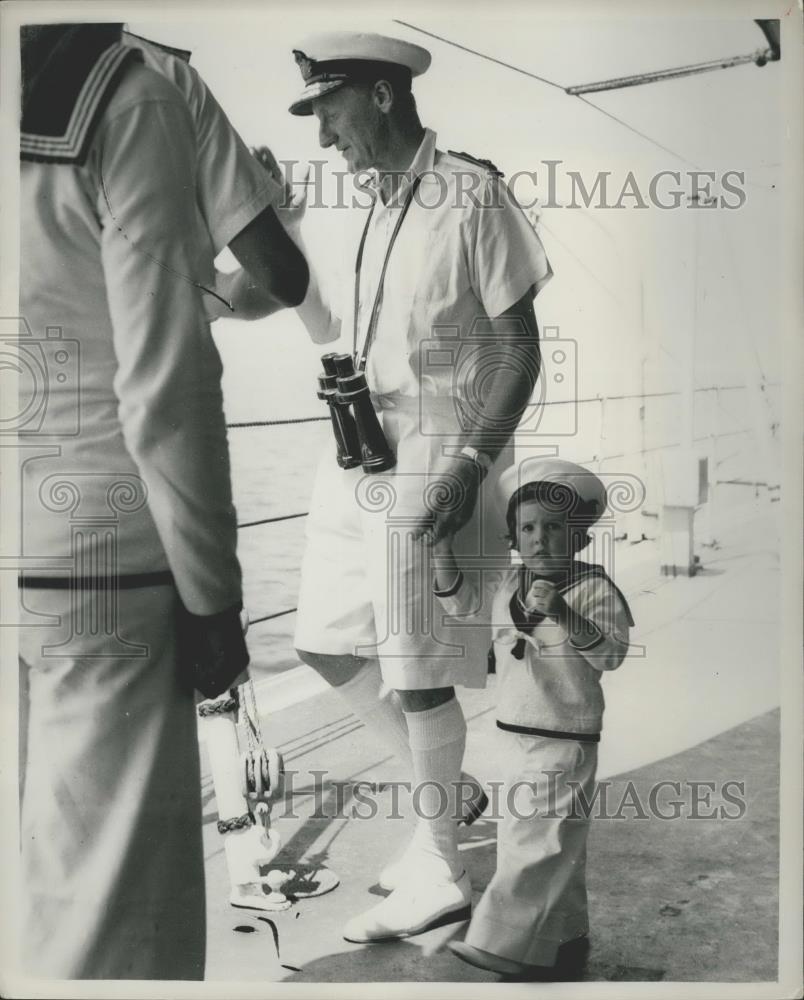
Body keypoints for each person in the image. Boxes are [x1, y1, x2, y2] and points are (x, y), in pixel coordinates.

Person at [17, 23, 307, 979]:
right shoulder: (133, 87)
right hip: (103, 549)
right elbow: (162, 383)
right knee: (113, 911)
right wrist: (214, 597)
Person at [270, 30, 553, 942]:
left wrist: (472, 466)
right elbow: (322, 320)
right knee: (323, 640)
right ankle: (451, 802)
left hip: (440, 444)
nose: (323, 137)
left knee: (418, 670)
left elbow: (517, 349)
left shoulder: (470, 192)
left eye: (330, 111)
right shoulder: (367, 204)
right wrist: (271, 224)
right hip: (360, 450)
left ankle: (440, 862)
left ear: (382, 95)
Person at [433, 457, 633, 978]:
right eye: (528, 528)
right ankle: (565, 934)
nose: (540, 539)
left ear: (581, 539)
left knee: (532, 838)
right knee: (552, 838)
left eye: (554, 528)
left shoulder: (593, 588)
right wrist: (440, 552)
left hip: (563, 735)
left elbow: (610, 654)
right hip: (517, 730)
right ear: (513, 537)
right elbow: (464, 607)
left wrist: (565, 614)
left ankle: (503, 944)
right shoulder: (510, 583)